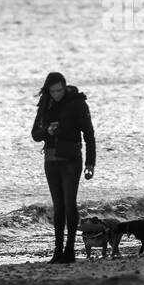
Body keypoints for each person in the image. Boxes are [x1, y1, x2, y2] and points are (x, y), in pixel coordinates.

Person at [31, 72, 96, 263]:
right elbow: (35, 134)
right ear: (48, 90)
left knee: (69, 204)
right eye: (52, 91)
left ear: (65, 87)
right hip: (51, 160)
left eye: (59, 90)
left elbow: (89, 135)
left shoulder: (77, 103)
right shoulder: (45, 104)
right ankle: (58, 250)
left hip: (71, 159)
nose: (56, 94)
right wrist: (47, 131)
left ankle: (70, 250)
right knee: (58, 206)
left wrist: (90, 163)